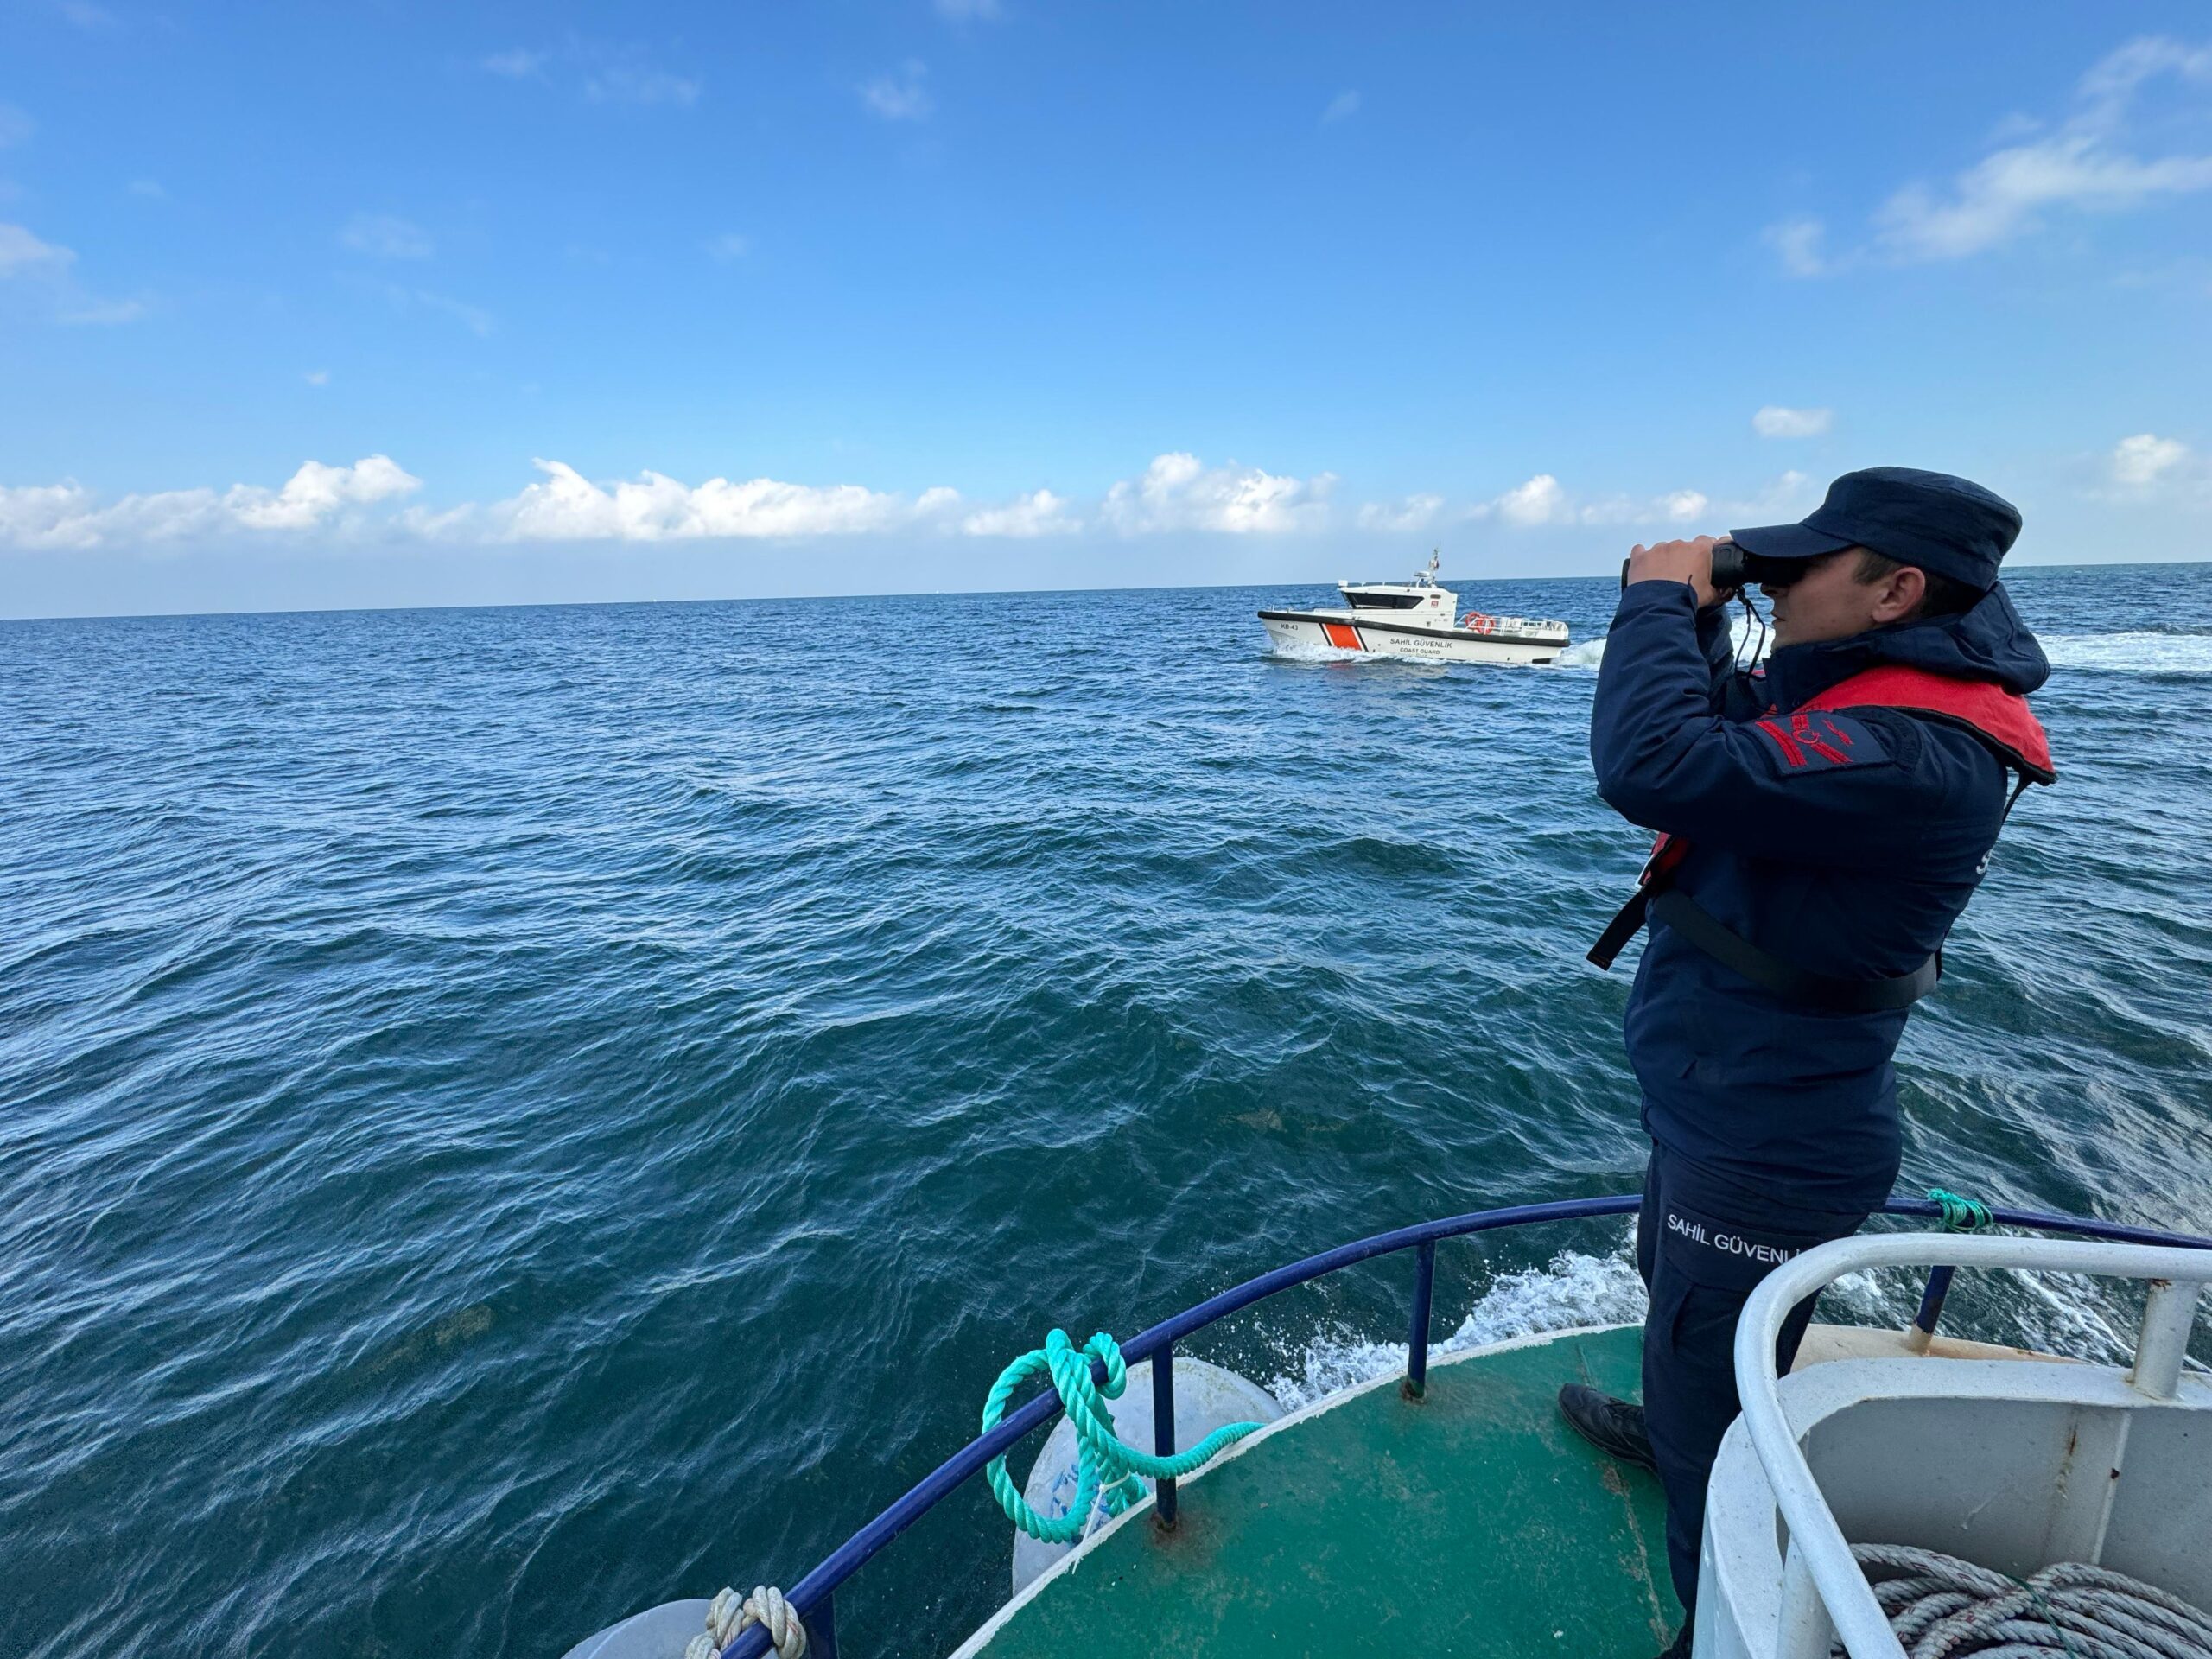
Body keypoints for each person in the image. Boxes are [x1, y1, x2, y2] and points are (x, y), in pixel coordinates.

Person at [1559, 467, 2056, 1659]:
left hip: (1769, 1141)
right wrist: (1702, 619)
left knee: (1708, 1380)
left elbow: (1654, 767)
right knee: (1692, 1320)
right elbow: (1739, 738)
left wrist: (1646, 609)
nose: (1776, 587)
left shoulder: (1913, 758)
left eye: (1802, 569)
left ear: (1896, 591)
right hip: (1728, 1106)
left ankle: (1713, 1619)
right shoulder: (1873, 701)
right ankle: (1694, 1421)